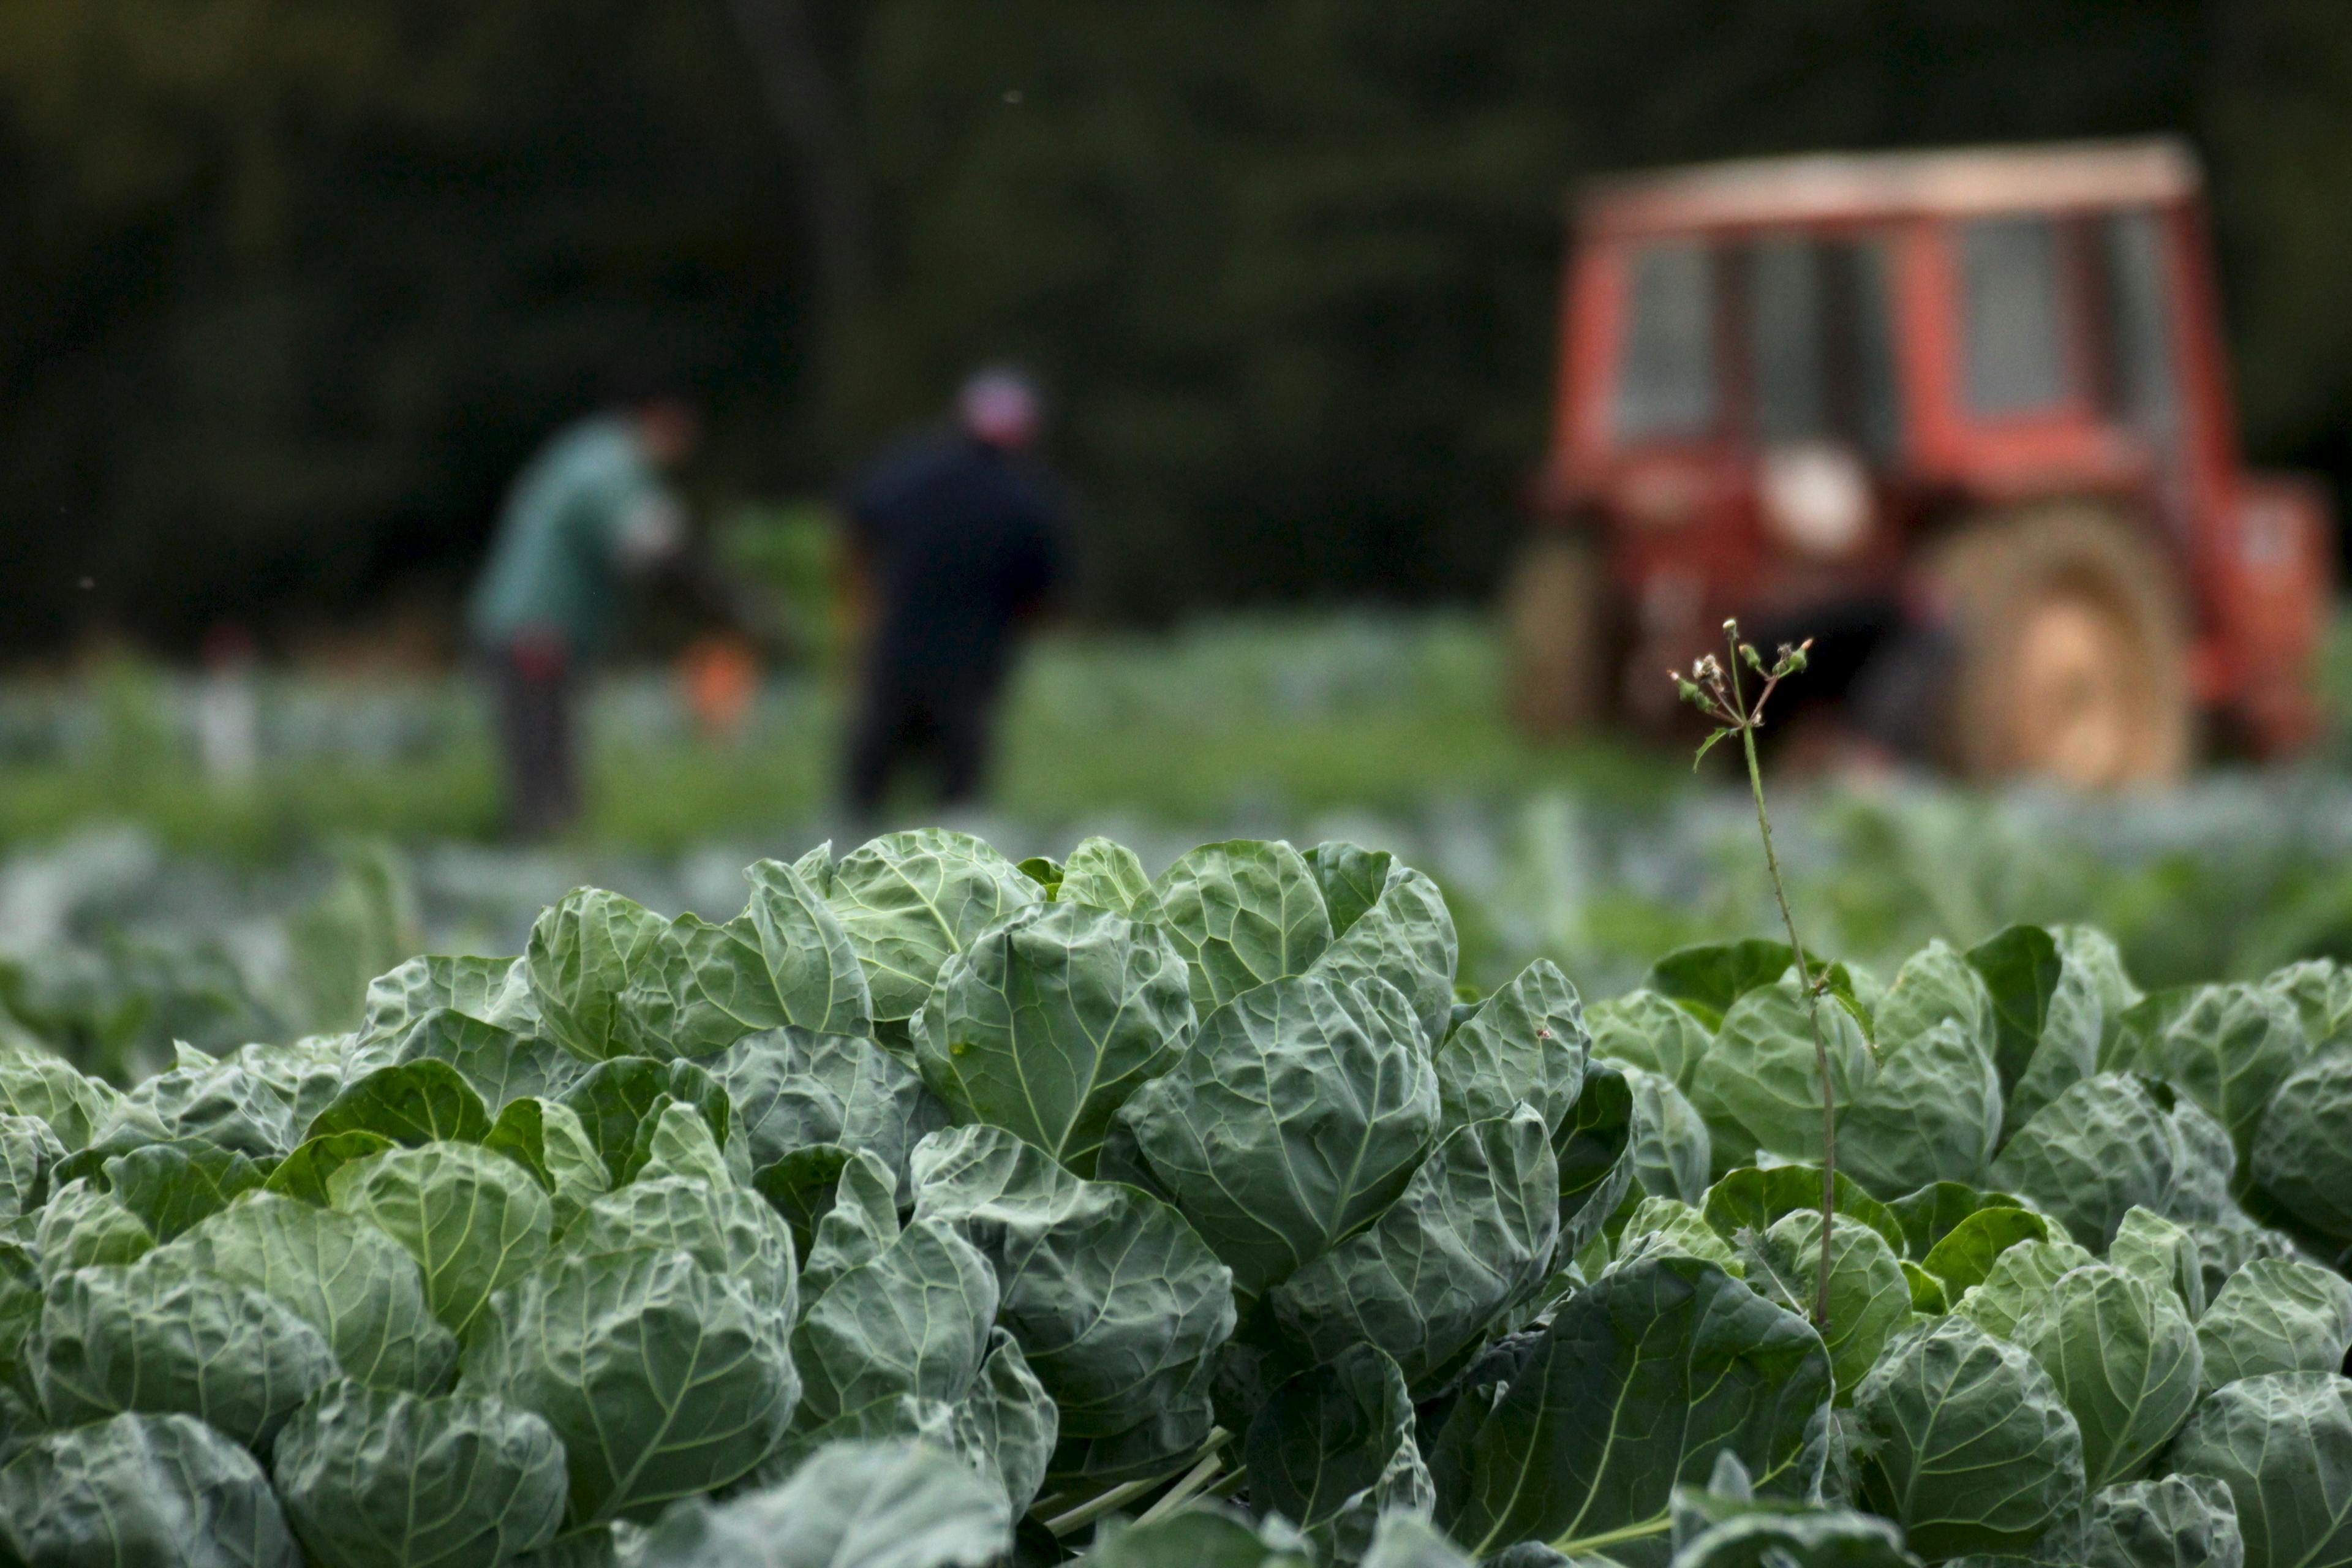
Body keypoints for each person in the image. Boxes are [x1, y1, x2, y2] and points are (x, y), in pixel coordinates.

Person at [467, 385, 699, 838]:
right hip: (535, 631)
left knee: (547, 761)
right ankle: (542, 872)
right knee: (545, 771)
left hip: (527, 626)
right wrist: (731, 605)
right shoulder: (610, 467)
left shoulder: (591, 452)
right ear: (660, 421)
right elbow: (656, 550)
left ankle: (547, 862)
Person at [841, 368, 1067, 815]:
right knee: (959, 816)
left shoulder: (911, 473)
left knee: (863, 802)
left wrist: (864, 608)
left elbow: (857, 527)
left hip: (898, 652)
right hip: (972, 666)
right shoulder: (1028, 501)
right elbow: (1044, 598)